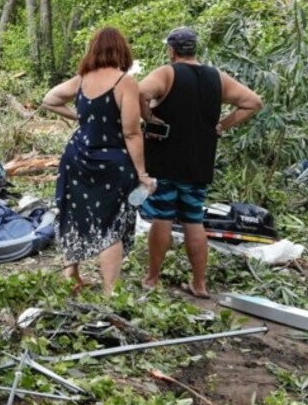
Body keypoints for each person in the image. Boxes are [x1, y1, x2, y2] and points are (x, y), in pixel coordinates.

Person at [139, 27, 263, 299]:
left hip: (166, 158)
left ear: (171, 50)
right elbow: (252, 102)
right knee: (193, 218)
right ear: (195, 49)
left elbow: (140, 93)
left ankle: (151, 279)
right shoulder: (216, 77)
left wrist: (150, 118)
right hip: (199, 159)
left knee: (162, 215)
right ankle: (199, 284)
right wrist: (222, 125)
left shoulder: (166, 73)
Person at [43, 27, 155, 297]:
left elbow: (49, 100)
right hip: (112, 161)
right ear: (121, 51)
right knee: (110, 224)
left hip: (77, 156)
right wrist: (142, 172)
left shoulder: (82, 79)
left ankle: (71, 274)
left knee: (74, 213)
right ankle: (109, 291)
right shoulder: (124, 82)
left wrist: (82, 120)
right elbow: (131, 131)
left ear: (93, 50)